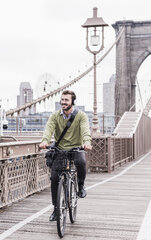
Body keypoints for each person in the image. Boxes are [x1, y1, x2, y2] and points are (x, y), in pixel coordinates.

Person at [39, 90, 92, 222]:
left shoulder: (81, 116)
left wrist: (86, 142)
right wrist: (45, 140)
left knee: (81, 162)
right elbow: (49, 128)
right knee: (54, 178)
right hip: (60, 149)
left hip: (76, 148)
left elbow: (85, 130)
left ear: (72, 102)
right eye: (62, 100)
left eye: (66, 100)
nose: (63, 102)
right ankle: (56, 210)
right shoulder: (55, 116)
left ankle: (80, 186)